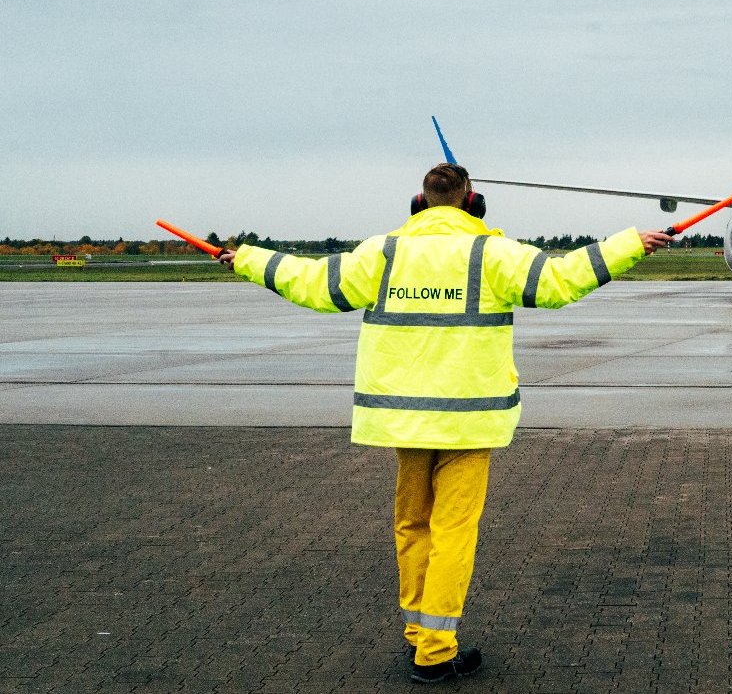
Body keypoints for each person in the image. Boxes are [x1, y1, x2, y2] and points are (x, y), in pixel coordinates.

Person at [216, 163, 671, 684]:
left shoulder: (384, 252)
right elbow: (559, 280)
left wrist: (246, 259)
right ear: (472, 201)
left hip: (403, 421)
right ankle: (435, 650)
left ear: (420, 201)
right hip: (466, 423)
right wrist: (630, 243)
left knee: (412, 524)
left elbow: (314, 283)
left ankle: (418, 633)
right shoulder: (491, 253)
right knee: (453, 531)